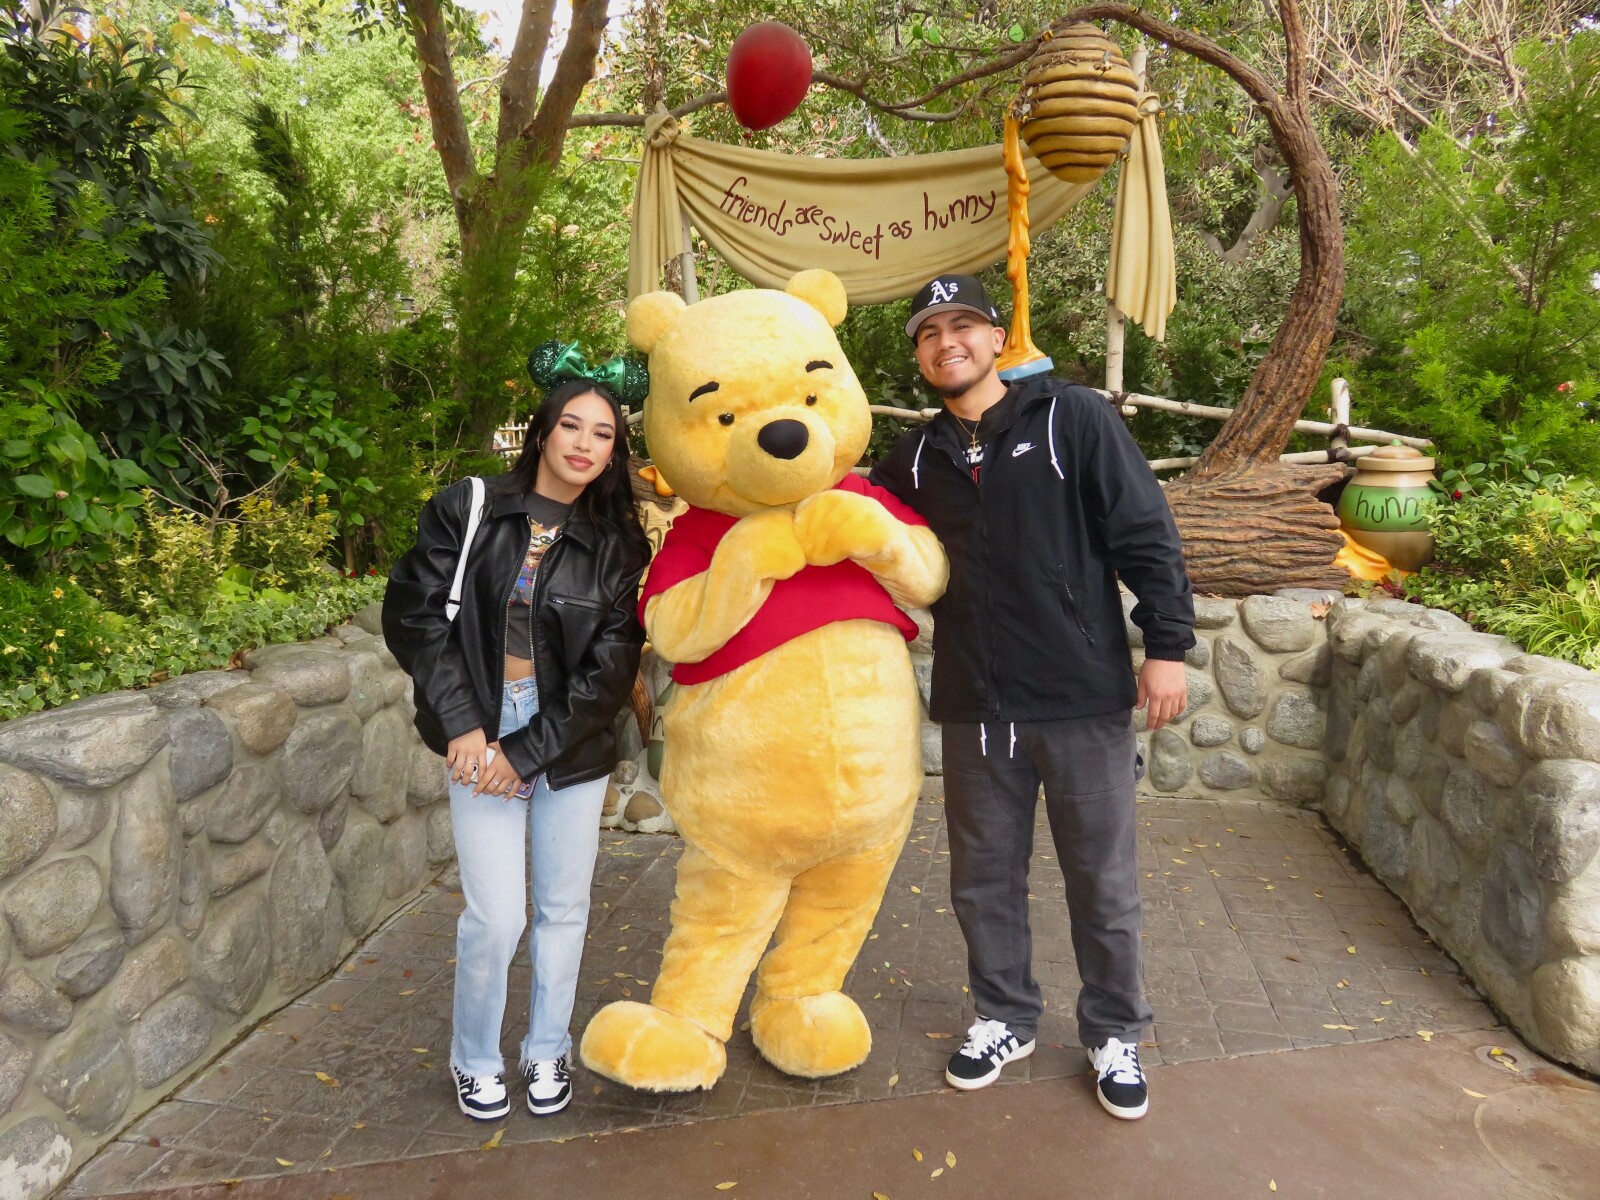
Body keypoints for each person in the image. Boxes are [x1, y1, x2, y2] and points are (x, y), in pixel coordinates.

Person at [870, 274, 1196, 1120]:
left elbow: (1145, 532)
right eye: (929, 331)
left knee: (1103, 881)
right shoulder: (912, 459)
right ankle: (1005, 1016)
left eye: (963, 325)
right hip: (976, 704)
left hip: (1079, 695)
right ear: (918, 354)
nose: (948, 342)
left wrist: (1166, 647)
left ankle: (1114, 1030)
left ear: (996, 337)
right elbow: (857, 538)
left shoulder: (1072, 418)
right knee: (982, 880)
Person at [383, 359, 650, 1122]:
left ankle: (546, 1048)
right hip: (479, 724)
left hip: (569, 738)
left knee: (563, 908)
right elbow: (414, 615)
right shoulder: (469, 507)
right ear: (541, 431)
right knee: (496, 917)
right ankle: (475, 1057)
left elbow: (608, 671)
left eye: (604, 434)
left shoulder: (618, 544)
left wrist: (526, 753)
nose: (585, 443)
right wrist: (466, 726)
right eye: (572, 425)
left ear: (614, 452)